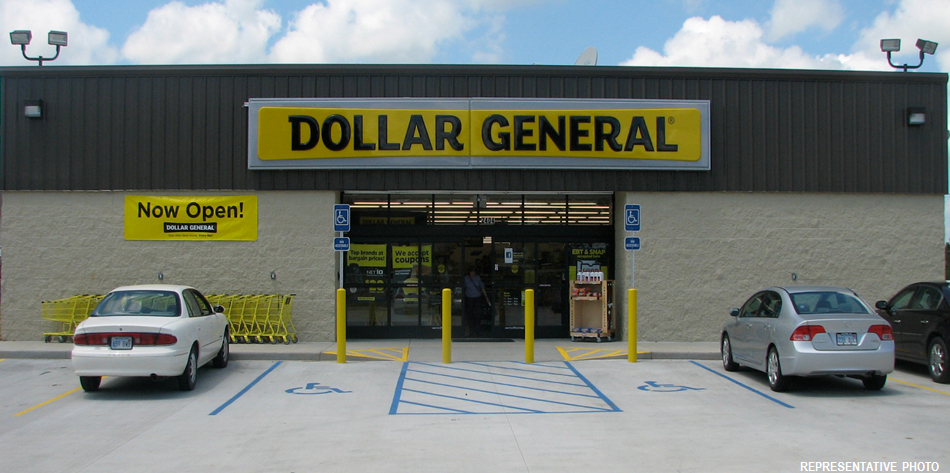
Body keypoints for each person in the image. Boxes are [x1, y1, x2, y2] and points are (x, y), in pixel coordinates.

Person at [463, 266, 489, 337]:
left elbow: (482, 287)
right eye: (471, 271)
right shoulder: (466, 279)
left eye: (474, 271)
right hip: (469, 298)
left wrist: (486, 296)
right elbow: (463, 287)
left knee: (478, 313)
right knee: (470, 314)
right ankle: (471, 330)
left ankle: (478, 329)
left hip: (477, 297)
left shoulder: (478, 278)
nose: (473, 273)